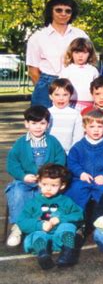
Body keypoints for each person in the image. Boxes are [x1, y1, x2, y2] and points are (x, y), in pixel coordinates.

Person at [5, 106, 66, 247]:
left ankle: (40, 226)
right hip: (25, 181)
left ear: (48, 124)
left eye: (42, 123)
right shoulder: (20, 143)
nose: (38, 127)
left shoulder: (53, 142)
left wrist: (50, 177)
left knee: (47, 195)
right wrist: (23, 176)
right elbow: (12, 164)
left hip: (46, 183)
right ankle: (18, 227)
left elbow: (60, 160)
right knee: (18, 192)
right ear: (26, 124)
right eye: (34, 123)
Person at [17, 164, 83, 270]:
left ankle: (67, 254)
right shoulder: (33, 203)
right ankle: (43, 255)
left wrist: (60, 219)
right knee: (37, 234)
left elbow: (79, 215)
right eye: (44, 184)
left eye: (53, 185)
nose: (48, 188)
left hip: (60, 240)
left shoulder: (65, 201)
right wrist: (39, 225)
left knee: (68, 226)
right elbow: (21, 221)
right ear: (38, 182)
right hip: (41, 241)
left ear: (62, 185)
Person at [27, 0, 89, 108]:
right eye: (58, 10)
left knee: (73, 122)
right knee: (42, 122)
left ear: (72, 14)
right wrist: (47, 89)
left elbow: (89, 60)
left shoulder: (80, 35)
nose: (63, 14)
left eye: (68, 11)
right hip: (46, 84)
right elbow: (33, 70)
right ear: (51, 11)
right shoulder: (37, 37)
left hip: (74, 82)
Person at [65, 110, 103, 210]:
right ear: (84, 128)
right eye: (92, 127)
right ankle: (77, 218)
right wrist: (81, 173)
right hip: (82, 179)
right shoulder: (78, 146)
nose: (96, 130)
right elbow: (72, 162)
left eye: (99, 126)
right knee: (74, 190)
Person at [60, 37, 99, 111]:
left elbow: (98, 89)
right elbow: (60, 89)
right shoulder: (67, 70)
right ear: (71, 53)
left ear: (89, 54)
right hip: (71, 104)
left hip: (90, 105)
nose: (80, 56)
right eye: (77, 53)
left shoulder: (93, 70)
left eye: (84, 53)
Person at [48, 78, 83, 154]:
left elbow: (78, 137)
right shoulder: (47, 113)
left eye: (65, 95)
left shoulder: (75, 114)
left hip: (68, 152)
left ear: (70, 96)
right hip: (49, 152)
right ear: (50, 96)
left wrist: (73, 152)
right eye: (57, 95)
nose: (61, 98)